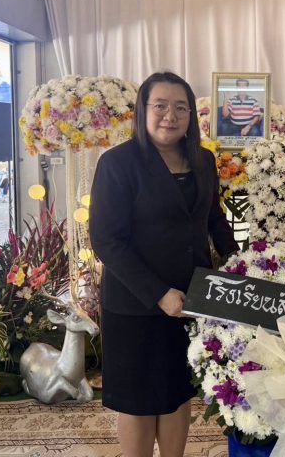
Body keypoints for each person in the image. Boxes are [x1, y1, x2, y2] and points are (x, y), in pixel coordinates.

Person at [89, 71, 239, 457]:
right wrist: (159, 294)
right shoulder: (117, 163)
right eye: (160, 106)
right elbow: (107, 240)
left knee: (177, 392)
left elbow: (213, 220)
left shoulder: (202, 160)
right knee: (138, 401)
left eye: (180, 108)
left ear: (190, 115)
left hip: (191, 297)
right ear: (143, 110)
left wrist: (242, 266)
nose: (170, 116)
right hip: (136, 303)